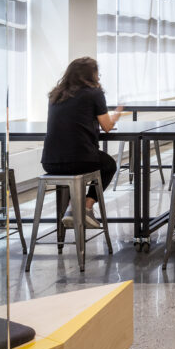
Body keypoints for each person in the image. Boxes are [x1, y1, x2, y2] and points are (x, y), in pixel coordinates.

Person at [41, 57, 124, 228]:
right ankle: (86, 206)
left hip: (50, 162)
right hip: (81, 160)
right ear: (90, 75)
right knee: (108, 165)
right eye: (97, 73)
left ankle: (72, 208)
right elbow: (107, 126)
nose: (99, 77)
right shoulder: (94, 93)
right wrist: (116, 114)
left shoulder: (55, 95)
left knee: (79, 165)